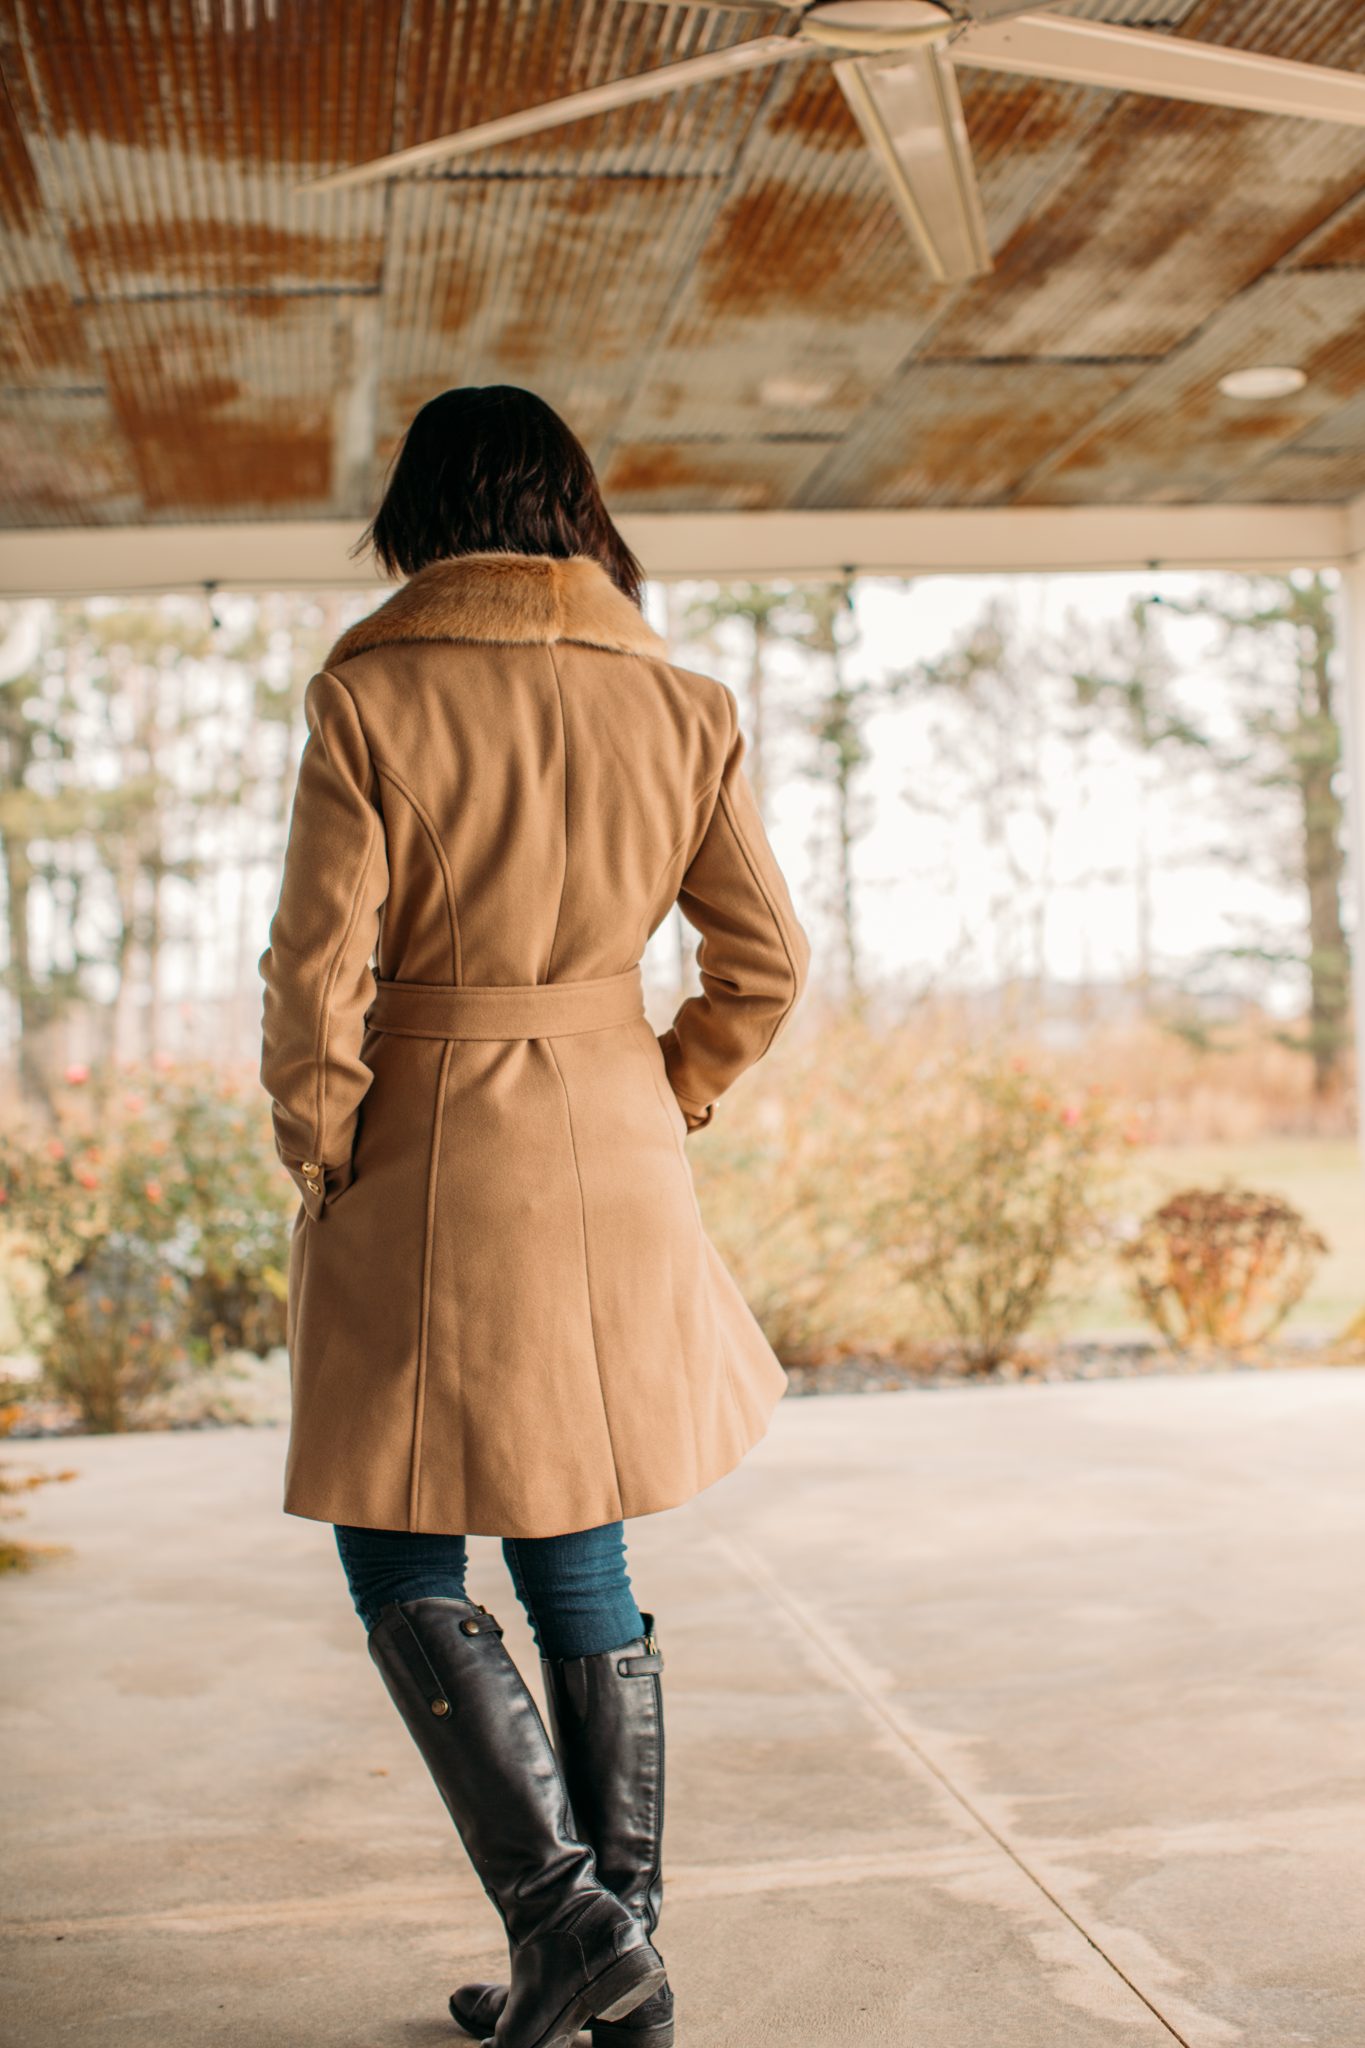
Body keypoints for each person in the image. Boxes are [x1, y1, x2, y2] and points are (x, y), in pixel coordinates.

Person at [258, 385, 811, 2048]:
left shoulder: (371, 695)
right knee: (580, 1525)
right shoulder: (685, 701)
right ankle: (612, 1966)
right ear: (571, 508)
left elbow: (317, 972)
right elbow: (762, 966)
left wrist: (320, 1137)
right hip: (616, 1139)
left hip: (429, 1145)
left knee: (399, 1530)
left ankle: (571, 1927)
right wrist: (668, 1086)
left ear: (420, 515)